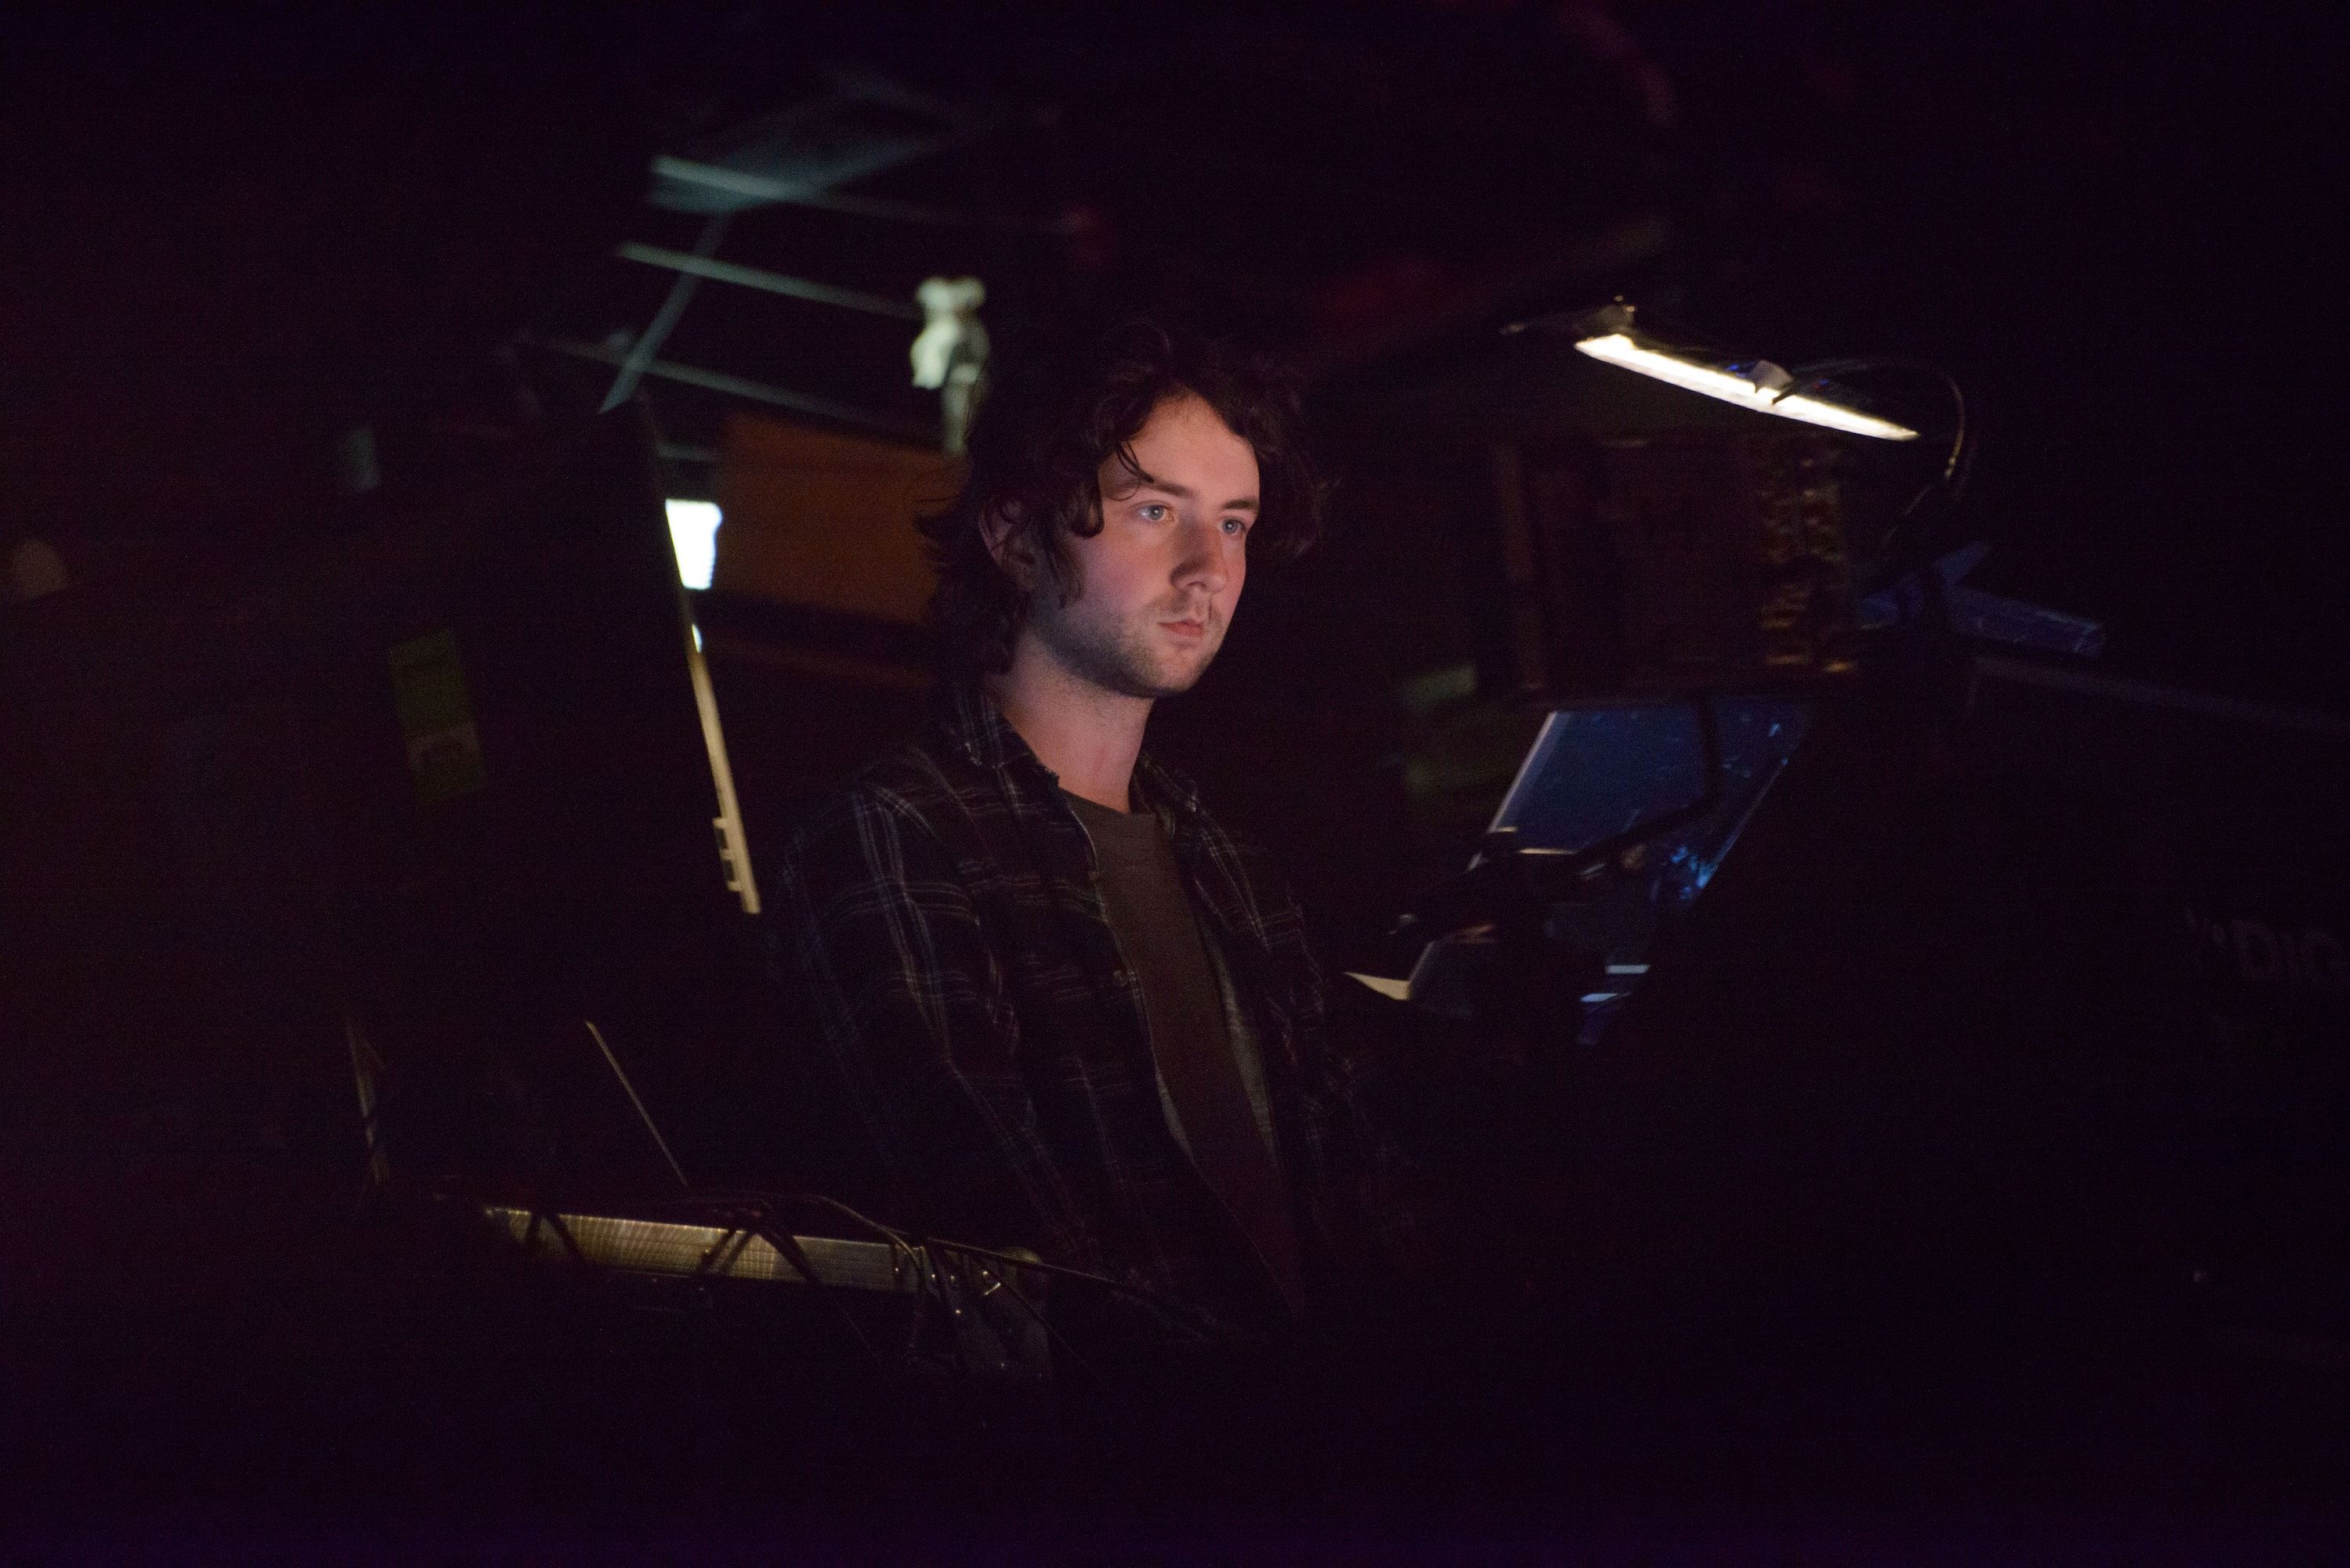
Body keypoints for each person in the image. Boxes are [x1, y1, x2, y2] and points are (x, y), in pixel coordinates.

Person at [761, 323, 1423, 1348]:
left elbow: (1362, 1208)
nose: (1209, 566)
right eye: (1156, 510)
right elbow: (1002, 1244)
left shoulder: (1232, 868)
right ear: (1017, 536)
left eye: (1236, 523)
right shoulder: (898, 832)